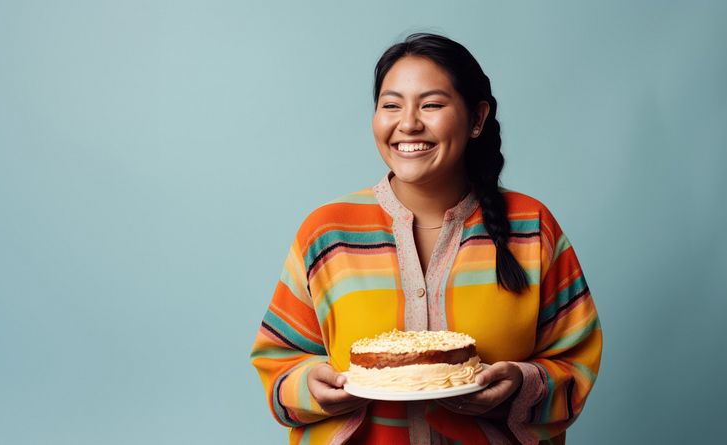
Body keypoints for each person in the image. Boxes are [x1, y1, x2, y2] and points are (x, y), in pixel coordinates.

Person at [249, 32, 602, 445]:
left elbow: (574, 363)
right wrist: (311, 387)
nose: (408, 123)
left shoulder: (531, 226)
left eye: (431, 104)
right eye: (391, 105)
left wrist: (521, 384)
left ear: (476, 119)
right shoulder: (327, 232)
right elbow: (278, 361)